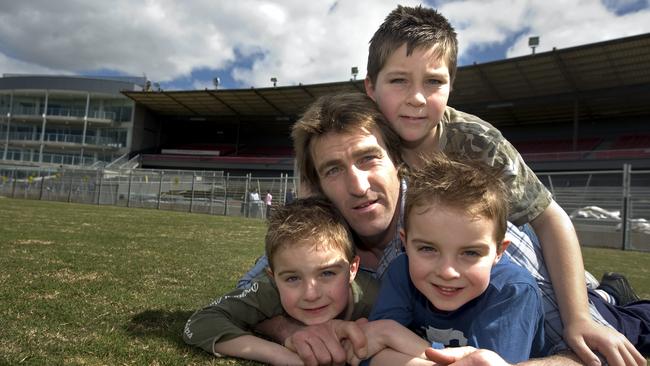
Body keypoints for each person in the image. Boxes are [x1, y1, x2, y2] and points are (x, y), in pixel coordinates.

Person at [239, 93, 648, 365]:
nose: (358, 186)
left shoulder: (462, 226)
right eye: (333, 170)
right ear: (317, 186)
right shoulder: (317, 232)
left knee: (622, 316)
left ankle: (615, 293)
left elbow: (586, 353)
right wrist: (289, 330)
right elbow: (248, 295)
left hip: (581, 296)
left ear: (398, 162)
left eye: (368, 159)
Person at [362, 5, 644, 365]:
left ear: (450, 86)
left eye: (433, 81)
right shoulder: (359, 140)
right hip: (423, 269)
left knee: (594, 345)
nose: (417, 98)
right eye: (399, 80)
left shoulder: (476, 141)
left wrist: (578, 319)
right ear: (371, 86)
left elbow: (549, 219)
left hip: (506, 265)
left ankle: (603, 298)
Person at [358, 154, 547, 364]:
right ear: (406, 243)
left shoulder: (512, 290)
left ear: (499, 251)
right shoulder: (400, 271)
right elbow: (368, 352)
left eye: (470, 253)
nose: (447, 272)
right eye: (428, 249)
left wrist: (392, 333)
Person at [183, 197, 377, 364]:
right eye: (292, 278)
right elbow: (200, 322)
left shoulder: (377, 297)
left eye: (327, 273)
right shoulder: (269, 290)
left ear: (352, 269)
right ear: (273, 278)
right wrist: (280, 355)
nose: (311, 294)